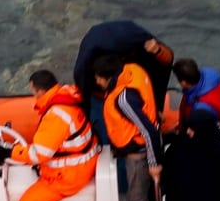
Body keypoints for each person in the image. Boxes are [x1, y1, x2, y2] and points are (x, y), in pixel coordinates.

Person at [0, 70, 98, 201]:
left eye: (33, 91)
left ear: (40, 91)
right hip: (82, 165)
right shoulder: (68, 98)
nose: (33, 95)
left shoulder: (56, 116)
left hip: (68, 177)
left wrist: (9, 153)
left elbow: (38, 154)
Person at [72, 20, 174, 149]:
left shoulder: (140, 42)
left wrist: (157, 51)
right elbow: (83, 85)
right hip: (101, 97)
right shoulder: (89, 59)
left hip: (128, 91)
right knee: (106, 134)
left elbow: (165, 63)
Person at [92, 53, 164, 201]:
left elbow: (148, 131)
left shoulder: (123, 99)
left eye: (98, 78)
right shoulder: (133, 72)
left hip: (139, 154)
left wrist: (154, 163)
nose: (98, 83)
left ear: (106, 77)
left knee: (136, 197)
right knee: (144, 194)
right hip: (138, 147)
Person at [172, 58, 220, 139]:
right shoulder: (211, 79)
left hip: (205, 139)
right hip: (217, 127)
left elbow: (198, 136)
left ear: (183, 82)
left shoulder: (199, 109)